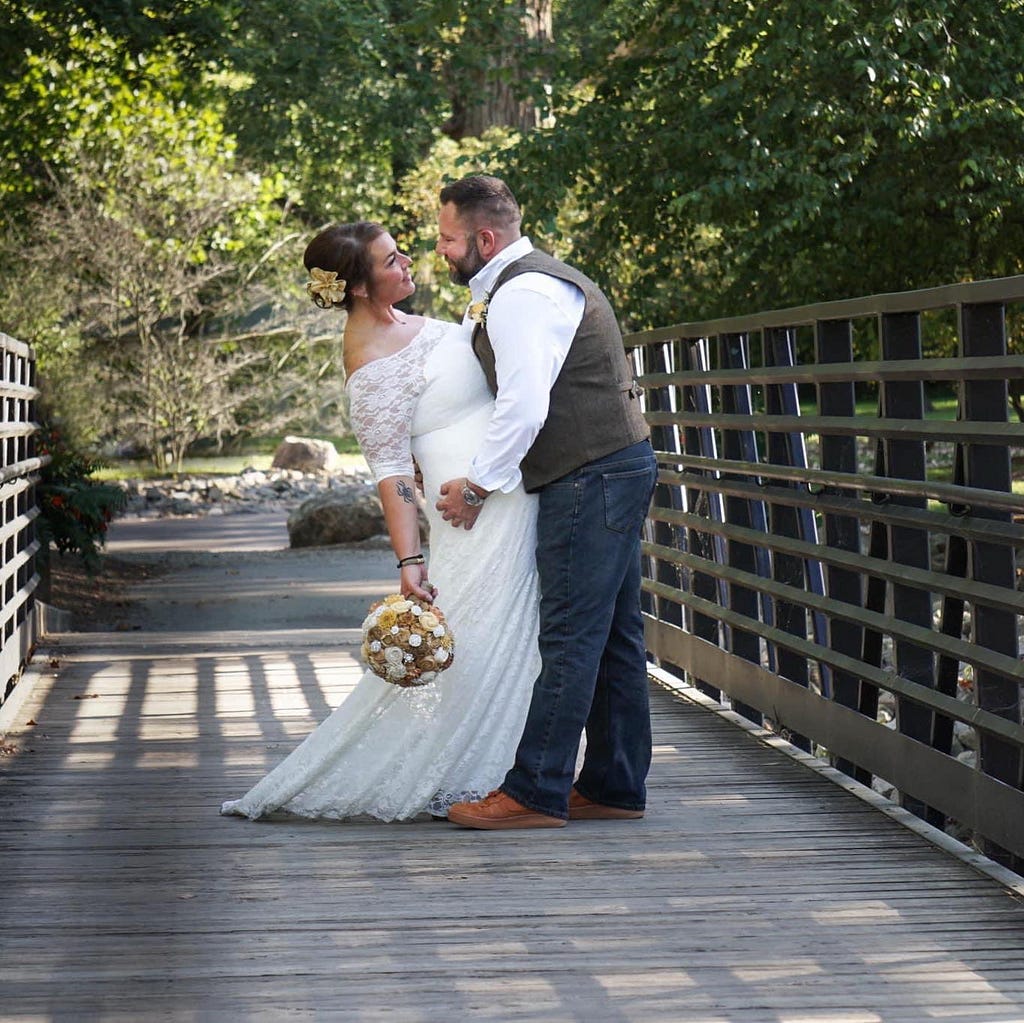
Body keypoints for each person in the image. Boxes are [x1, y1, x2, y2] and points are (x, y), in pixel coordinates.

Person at [220, 221, 541, 822]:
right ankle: (481, 771)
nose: (408, 264)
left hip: (508, 493)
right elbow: (391, 473)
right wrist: (410, 561)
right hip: (467, 515)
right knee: (475, 633)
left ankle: (515, 767)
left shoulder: (415, 324)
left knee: (516, 632)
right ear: (362, 288)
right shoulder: (369, 367)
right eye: (392, 261)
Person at [434, 175, 657, 830]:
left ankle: (536, 789)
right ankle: (614, 783)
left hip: (591, 472)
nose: (441, 251)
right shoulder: (518, 286)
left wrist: (478, 486)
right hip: (610, 465)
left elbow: (524, 404)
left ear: (485, 237)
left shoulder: (522, 294)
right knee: (613, 634)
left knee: (569, 632)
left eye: (448, 239)